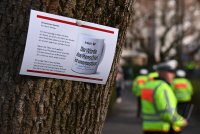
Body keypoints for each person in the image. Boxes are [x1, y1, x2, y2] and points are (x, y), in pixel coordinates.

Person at [141, 60, 187, 134]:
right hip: (163, 128)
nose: (174, 75)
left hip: (148, 127)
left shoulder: (149, 85)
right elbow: (167, 113)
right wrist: (181, 121)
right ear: (163, 72)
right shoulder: (163, 87)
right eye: (171, 72)